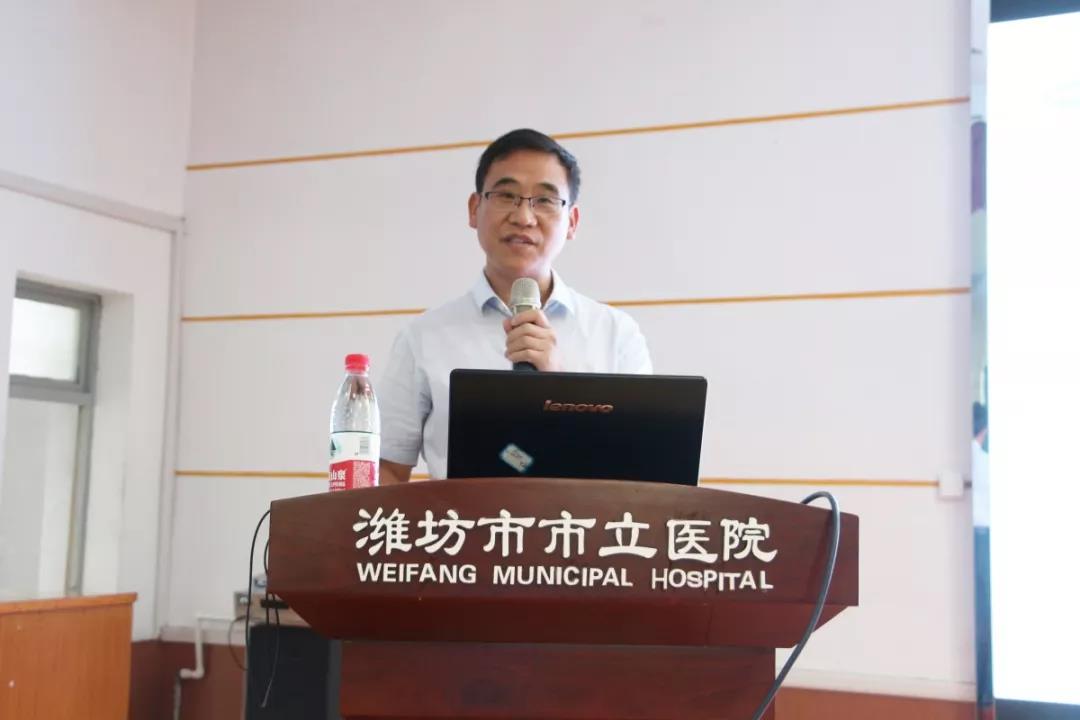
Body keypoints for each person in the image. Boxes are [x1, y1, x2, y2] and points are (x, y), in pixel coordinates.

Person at [377, 128, 652, 483]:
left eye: (545, 200)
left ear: (572, 222)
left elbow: (641, 472)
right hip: (462, 519)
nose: (524, 217)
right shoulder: (423, 338)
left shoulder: (616, 335)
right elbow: (386, 467)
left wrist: (562, 390)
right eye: (506, 195)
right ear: (474, 209)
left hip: (581, 519)